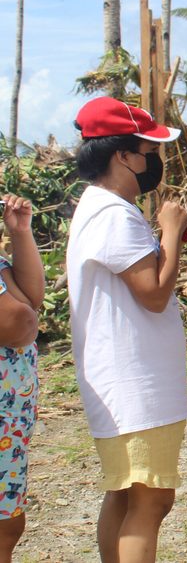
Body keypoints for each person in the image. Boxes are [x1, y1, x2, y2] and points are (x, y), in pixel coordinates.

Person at [66, 97, 187, 563]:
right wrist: (172, 231)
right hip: (136, 387)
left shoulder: (94, 208)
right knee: (151, 499)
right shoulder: (116, 215)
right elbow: (154, 292)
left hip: (118, 382)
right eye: (146, 151)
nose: (151, 162)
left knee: (124, 493)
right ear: (122, 156)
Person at [0, 194, 44, 562]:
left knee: (8, 524)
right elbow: (21, 322)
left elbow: (33, 296)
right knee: (4, 526)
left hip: (9, 423)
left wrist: (20, 234)